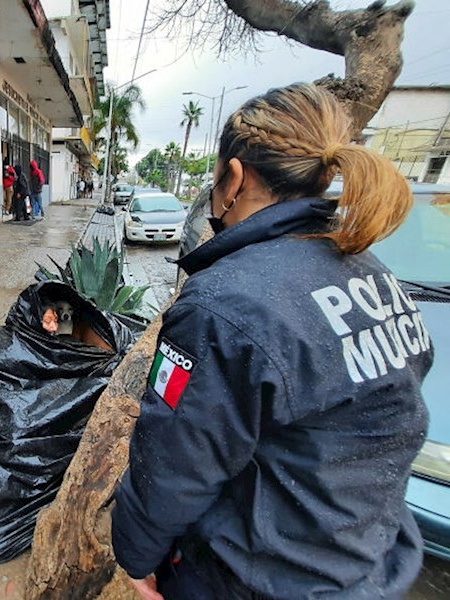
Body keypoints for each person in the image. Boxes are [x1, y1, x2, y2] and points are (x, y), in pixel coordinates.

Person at [112, 83, 433, 600]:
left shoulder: (222, 303)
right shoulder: (376, 277)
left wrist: (136, 556)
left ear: (233, 177)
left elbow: (174, 463)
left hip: (251, 577)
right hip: (367, 562)